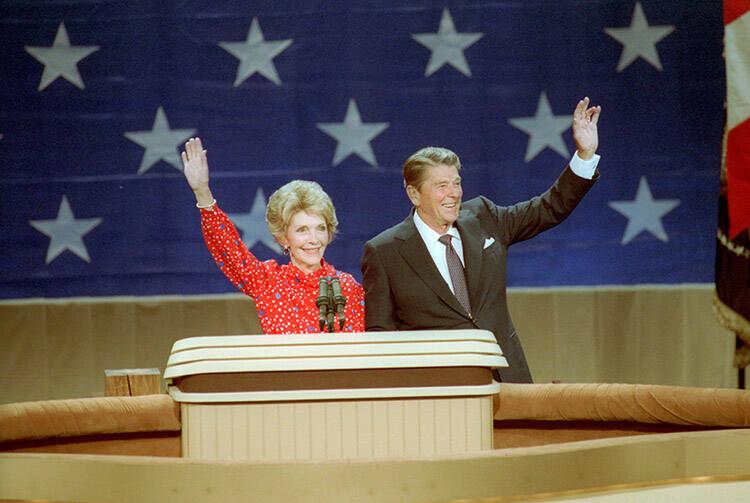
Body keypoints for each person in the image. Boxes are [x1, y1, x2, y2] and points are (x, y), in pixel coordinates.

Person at [361, 98, 601, 383]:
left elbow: (548, 208)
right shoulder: (385, 252)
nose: (453, 193)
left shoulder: (484, 217)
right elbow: (381, 337)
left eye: (457, 182)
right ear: (414, 195)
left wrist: (584, 155)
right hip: (439, 388)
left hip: (506, 377)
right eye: (441, 186)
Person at [181, 137, 365, 334]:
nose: (314, 239)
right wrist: (202, 192)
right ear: (283, 238)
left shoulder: (348, 287)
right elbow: (230, 250)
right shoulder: (268, 282)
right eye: (302, 230)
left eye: (320, 228)